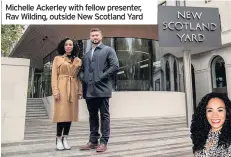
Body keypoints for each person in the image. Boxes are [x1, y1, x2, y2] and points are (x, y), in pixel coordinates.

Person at [79, 28, 119, 152]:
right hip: (89, 90)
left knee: (104, 116)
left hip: (102, 89)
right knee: (92, 116)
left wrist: (101, 76)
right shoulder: (86, 54)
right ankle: (93, 141)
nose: (94, 37)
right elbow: (81, 70)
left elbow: (115, 66)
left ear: (101, 37)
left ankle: (103, 142)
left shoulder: (108, 50)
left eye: (96, 35)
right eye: (92, 35)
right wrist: (84, 79)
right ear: (90, 38)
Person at [51, 38, 82, 150]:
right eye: (66, 44)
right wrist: (55, 90)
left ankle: (65, 138)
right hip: (61, 87)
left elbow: (77, 77)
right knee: (61, 114)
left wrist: (79, 91)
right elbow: (54, 76)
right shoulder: (57, 59)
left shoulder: (77, 60)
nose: (68, 46)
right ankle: (58, 138)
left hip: (72, 87)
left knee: (70, 115)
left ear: (73, 47)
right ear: (63, 47)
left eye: (71, 44)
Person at [191, 92, 231, 157]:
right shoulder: (201, 136)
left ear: (227, 112)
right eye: (210, 110)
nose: (215, 115)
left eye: (220, 110)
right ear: (204, 113)